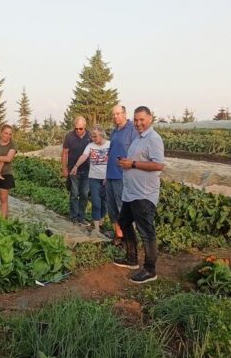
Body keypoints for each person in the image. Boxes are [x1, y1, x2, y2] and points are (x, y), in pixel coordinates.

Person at [114, 106, 165, 284]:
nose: (138, 123)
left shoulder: (153, 139)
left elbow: (158, 165)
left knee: (146, 232)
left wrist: (133, 164)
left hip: (144, 194)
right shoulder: (138, 138)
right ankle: (132, 259)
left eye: (141, 119)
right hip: (131, 193)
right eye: (136, 120)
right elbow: (135, 161)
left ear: (150, 118)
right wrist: (125, 162)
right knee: (124, 222)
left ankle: (150, 270)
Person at [105, 105, 137, 241]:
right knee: (111, 209)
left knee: (122, 208)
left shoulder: (132, 130)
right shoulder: (114, 131)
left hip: (123, 176)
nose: (115, 116)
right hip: (111, 175)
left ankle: (130, 239)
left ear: (125, 113)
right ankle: (119, 236)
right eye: (113, 114)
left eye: (118, 114)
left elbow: (138, 151)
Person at [70, 125, 110, 232]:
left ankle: (101, 221)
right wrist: (76, 166)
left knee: (104, 203)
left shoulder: (109, 145)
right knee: (96, 202)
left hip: (106, 179)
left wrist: (108, 176)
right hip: (94, 178)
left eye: (95, 136)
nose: (93, 139)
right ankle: (96, 229)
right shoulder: (90, 146)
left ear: (101, 134)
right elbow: (84, 156)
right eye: (92, 137)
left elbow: (113, 161)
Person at [61, 116, 92, 225]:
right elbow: (64, 153)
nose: (78, 131)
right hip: (73, 170)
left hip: (87, 170)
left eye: (80, 129)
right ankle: (73, 216)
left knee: (84, 193)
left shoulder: (90, 136)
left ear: (85, 127)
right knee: (74, 193)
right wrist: (64, 168)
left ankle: (81, 216)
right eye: (76, 128)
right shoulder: (69, 136)